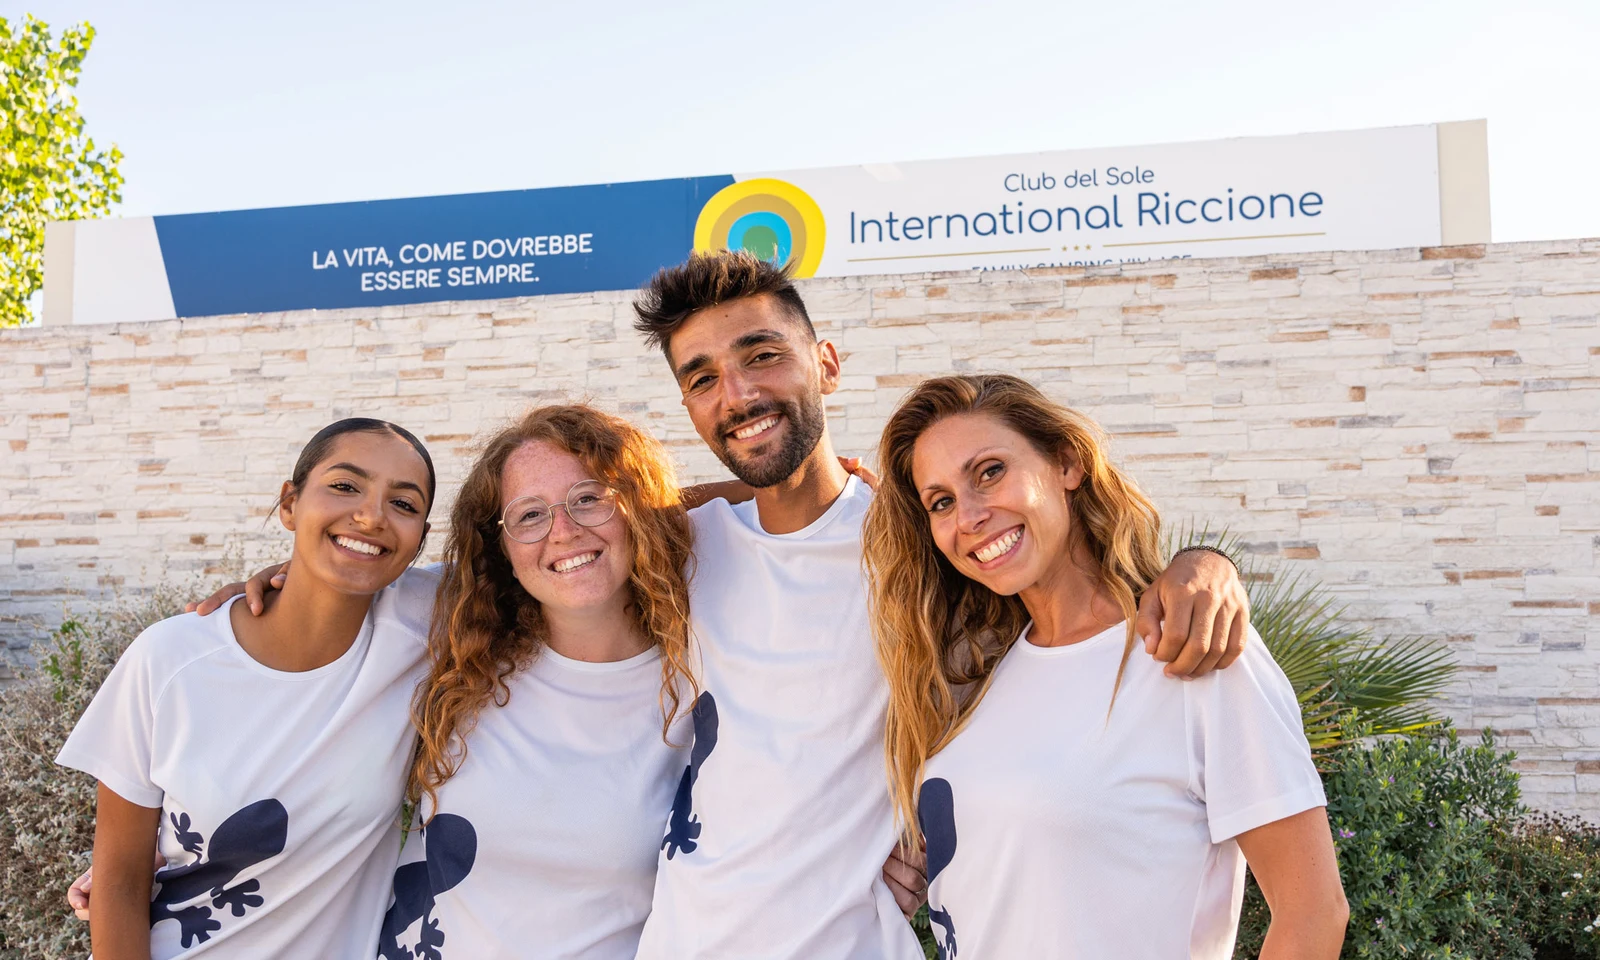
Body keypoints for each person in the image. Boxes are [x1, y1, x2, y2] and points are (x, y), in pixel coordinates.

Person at [624, 251, 1256, 959]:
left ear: (826, 364)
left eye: (762, 355)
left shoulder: (927, 547)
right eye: (702, 379)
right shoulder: (673, 554)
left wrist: (1204, 565)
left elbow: (1066, 598)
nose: (737, 395)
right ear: (688, 406)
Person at [863, 374, 1348, 959]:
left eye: (990, 472)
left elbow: (1313, 913)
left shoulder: (1194, 653)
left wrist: (1207, 562)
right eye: (940, 502)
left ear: (1066, 464)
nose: (968, 516)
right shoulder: (975, 678)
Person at [56, 419, 441, 958]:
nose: (371, 515)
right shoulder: (170, 658)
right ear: (289, 504)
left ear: (419, 540)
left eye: (403, 504)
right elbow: (119, 880)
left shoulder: (420, 631)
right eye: (345, 486)